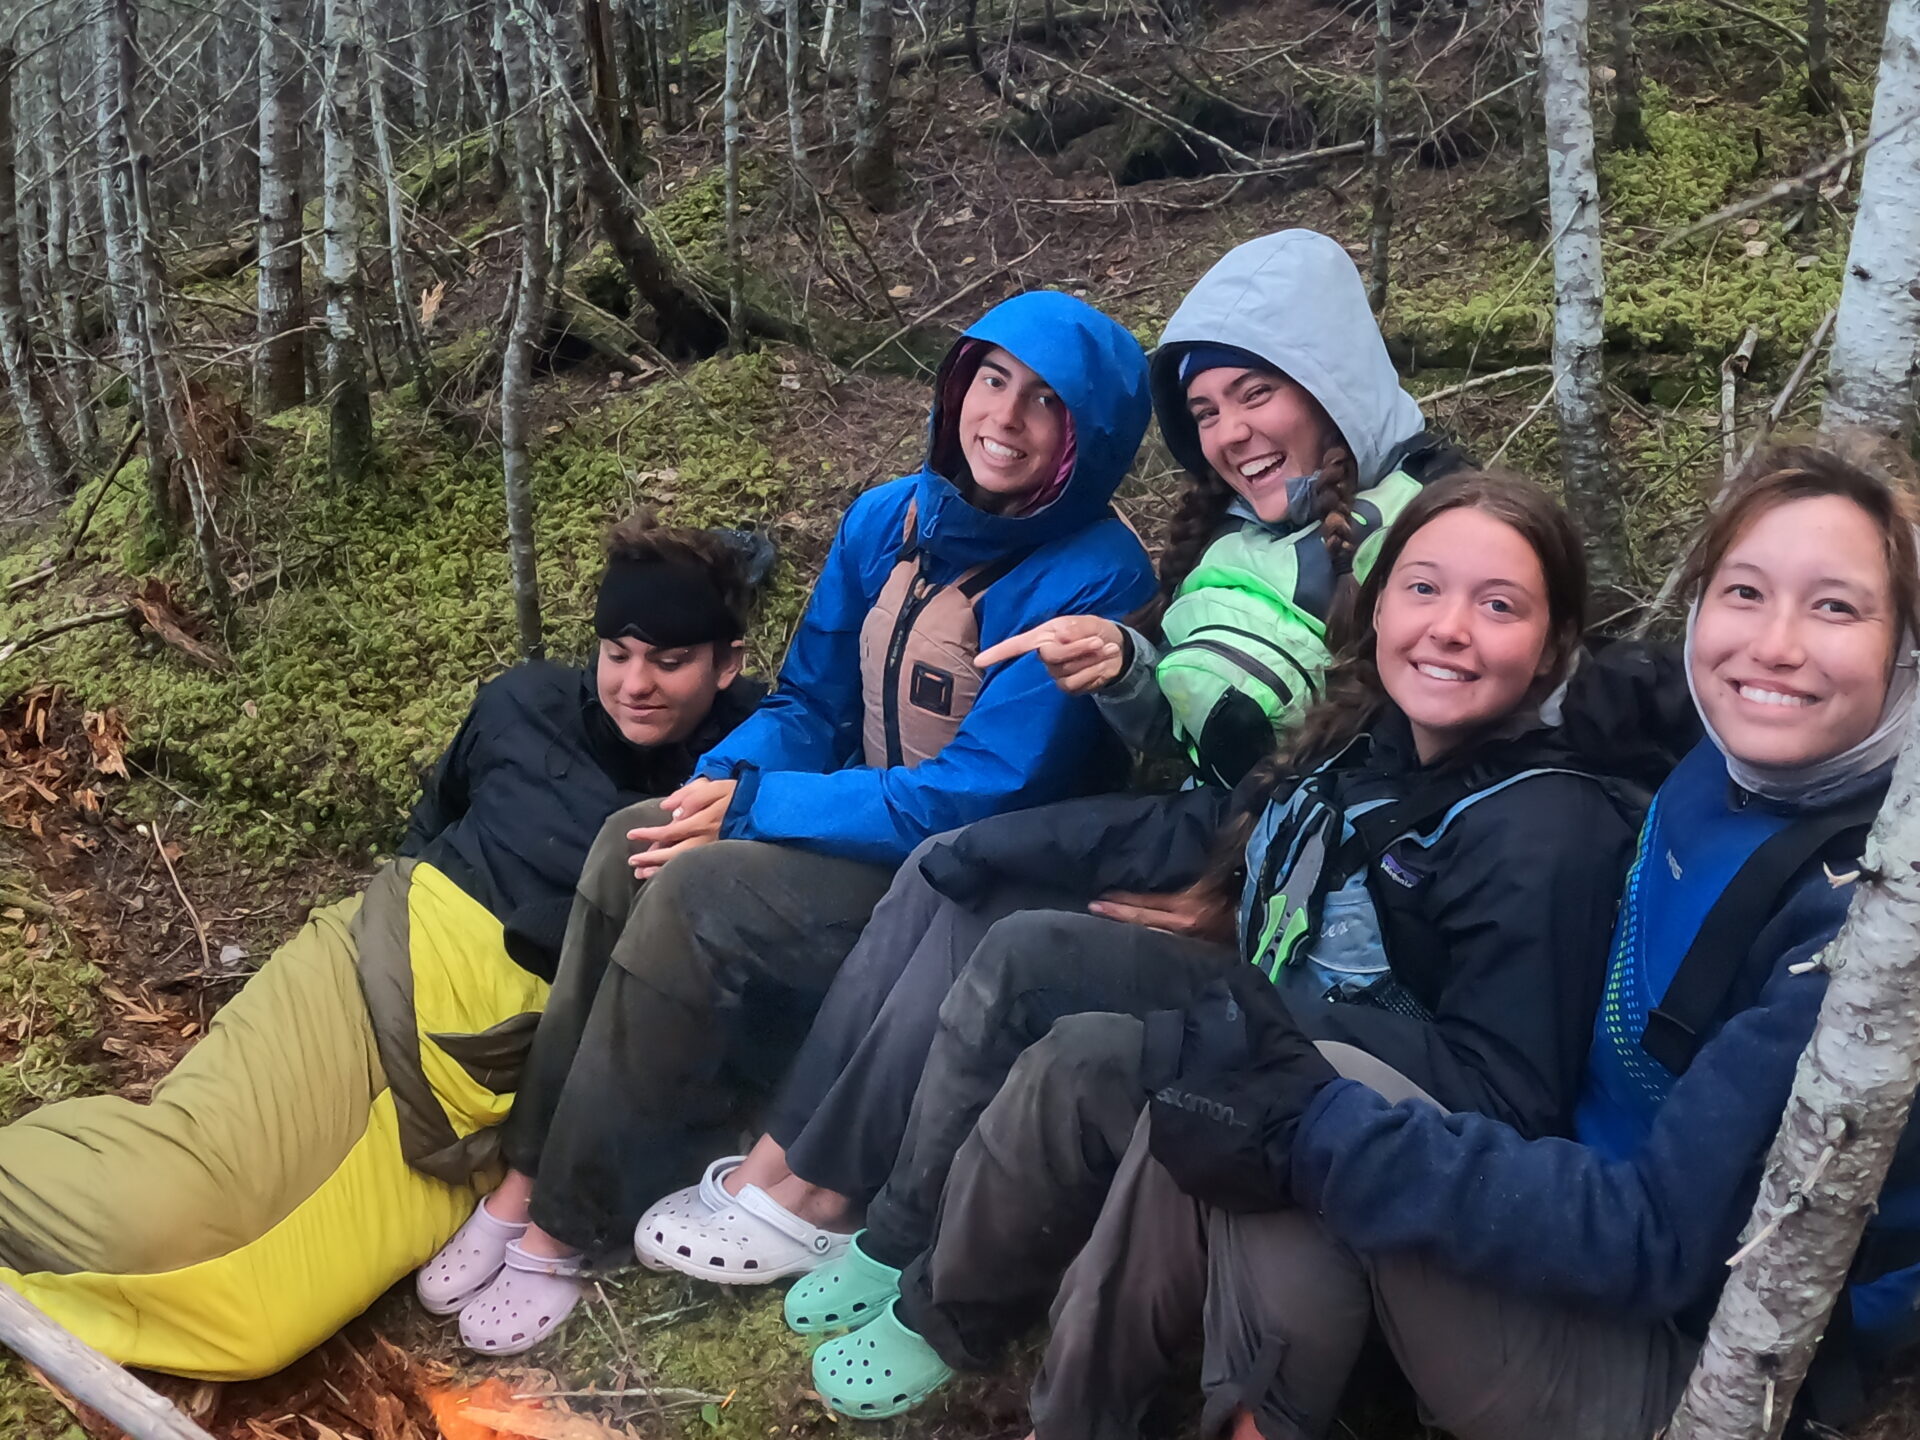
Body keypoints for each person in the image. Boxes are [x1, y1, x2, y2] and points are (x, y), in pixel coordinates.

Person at [673, 475, 1684, 1421]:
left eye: (1501, 606)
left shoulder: (1546, 829)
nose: (1451, 629)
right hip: (1267, 1000)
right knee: (1027, 953)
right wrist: (978, 844)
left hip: (1352, 1094)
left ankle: (956, 1311)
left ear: (1553, 649)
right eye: (1422, 588)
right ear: (1376, 608)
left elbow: (1502, 1089)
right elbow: (1209, 829)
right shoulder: (1363, 735)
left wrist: (1239, 1026)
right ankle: (898, 1238)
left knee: (1087, 1062)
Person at [634, 227, 1472, 1296]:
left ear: (1329, 380)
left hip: (1289, 892)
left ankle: (842, 1200)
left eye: (1256, 395)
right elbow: (1205, 736)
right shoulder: (1251, 538)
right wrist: (1129, 666)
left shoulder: (1423, 535)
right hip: (1220, 836)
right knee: (956, 863)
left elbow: (1393, 767)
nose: (1231, 434)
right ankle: (787, 1171)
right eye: (1207, 411)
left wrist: (1231, 885)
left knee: (980, 886)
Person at [1032, 441, 1920, 1440]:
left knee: (1296, 1113)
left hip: (1706, 1360)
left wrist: (1316, 1132)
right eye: (1745, 593)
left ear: (1907, 650)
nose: (1777, 646)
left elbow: (1658, 1239)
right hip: (1574, 1214)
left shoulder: (1869, 922)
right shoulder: (1721, 755)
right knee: (1252, 1073)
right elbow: (1633, 687)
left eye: (1838, 607)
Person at [427, 289, 1159, 1356]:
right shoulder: (886, 520)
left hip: (958, 886)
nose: (1006, 417)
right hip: (860, 830)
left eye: (1046, 401)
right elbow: (810, 703)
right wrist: (717, 783)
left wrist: (762, 810)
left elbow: (983, 792)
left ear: (1085, 434)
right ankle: (529, 1171)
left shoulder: (1095, 572)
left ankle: (571, 1225)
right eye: (991, 380)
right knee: (640, 836)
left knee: (695, 891)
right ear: (957, 387)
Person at [0, 515, 765, 1380]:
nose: (636, 684)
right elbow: (430, 823)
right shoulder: (524, 704)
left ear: (726, 662)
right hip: (375, 970)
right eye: (618, 651)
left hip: (497, 1072)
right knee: (166, 1202)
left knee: (256, 1326)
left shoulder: (753, 777)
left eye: (670, 661)